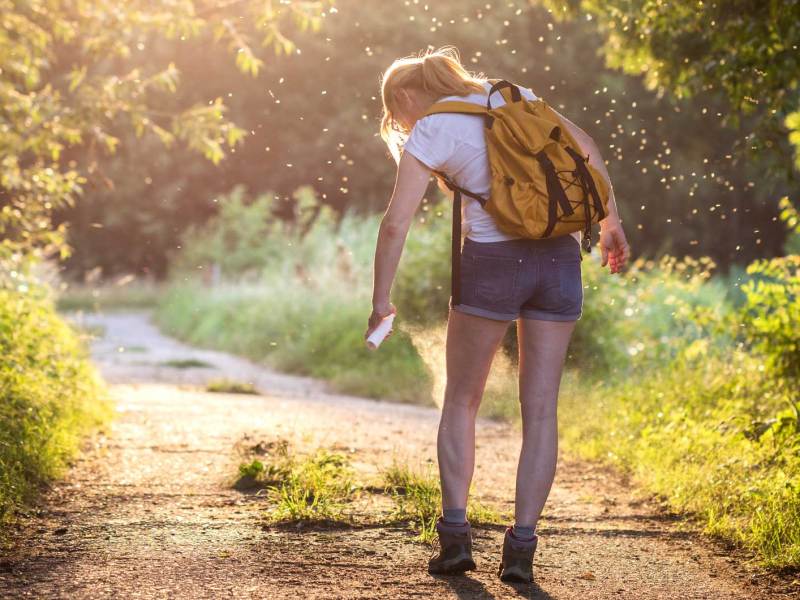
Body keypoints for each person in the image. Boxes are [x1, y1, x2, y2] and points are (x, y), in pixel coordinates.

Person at [365, 46, 629, 583]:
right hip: (558, 260)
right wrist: (609, 225)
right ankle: (522, 550)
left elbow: (395, 224)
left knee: (461, 400)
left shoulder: (434, 128)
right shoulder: (514, 97)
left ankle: (457, 541)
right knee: (541, 411)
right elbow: (588, 148)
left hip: (491, 263)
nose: (401, 124)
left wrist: (380, 301)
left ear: (406, 97)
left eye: (398, 114)